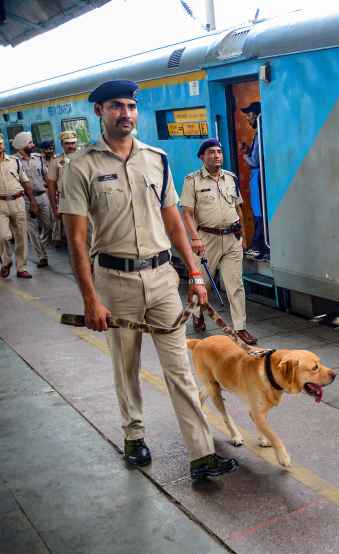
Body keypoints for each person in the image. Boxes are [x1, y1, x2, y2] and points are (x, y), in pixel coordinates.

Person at [58, 79, 240, 480]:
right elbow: (75, 238)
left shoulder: (156, 159)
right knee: (127, 364)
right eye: (115, 107)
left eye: (130, 106)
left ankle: (201, 453)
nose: (125, 113)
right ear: (99, 113)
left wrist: (193, 270)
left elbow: (173, 219)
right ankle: (134, 435)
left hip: (161, 278)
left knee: (180, 367)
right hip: (114, 279)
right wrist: (90, 299)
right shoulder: (81, 167)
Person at [180, 138, 257, 345]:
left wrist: (243, 236)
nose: (216, 155)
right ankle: (197, 313)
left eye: (219, 152)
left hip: (232, 238)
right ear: (202, 157)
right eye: (211, 152)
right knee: (200, 283)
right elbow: (186, 212)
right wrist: (195, 239)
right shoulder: (193, 180)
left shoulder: (230, 178)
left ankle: (240, 328)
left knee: (235, 284)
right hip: (206, 239)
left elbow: (238, 208)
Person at [13, 132, 53, 268]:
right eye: (30, 143)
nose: (33, 145)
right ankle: (42, 256)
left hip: (42, 195)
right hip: (25, 199)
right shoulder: (14, 161)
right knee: (32, 229)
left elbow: (46, 177)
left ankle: (42, 243)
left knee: (48, 226)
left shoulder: (38, 158)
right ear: (22, 145)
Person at [0, 135, 36, 279]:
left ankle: (22, 268)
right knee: (3, 236)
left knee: (21, 235)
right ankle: (6, 261)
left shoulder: (15, 162)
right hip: (0, 204)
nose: (0, 147)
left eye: (1, 144)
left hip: (18, 200)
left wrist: (32, 201)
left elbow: (25, 182)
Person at [239, 101, 268, 261]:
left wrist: (245, 156)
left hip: (258, 178)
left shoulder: (260, 133)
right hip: (258, 178)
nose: (248, 120)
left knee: (258, 212)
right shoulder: (261, 133)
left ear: (257, 116)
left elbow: (255, 162)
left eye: (249, 116)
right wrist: (249, 151)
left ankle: (259, 247)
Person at [47, 130, 80, 248]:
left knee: (89, 232)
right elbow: (51, 185)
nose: (71, 146)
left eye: (73, 143)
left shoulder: (84, 158)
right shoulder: (56, 161)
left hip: (83, 198)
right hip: (66, 200)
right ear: (62, 144)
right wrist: (54, 207)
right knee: (72, 234)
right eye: (67, 143)